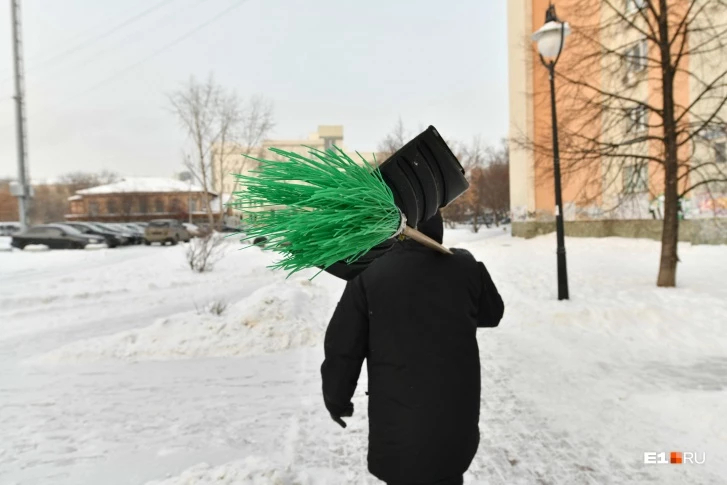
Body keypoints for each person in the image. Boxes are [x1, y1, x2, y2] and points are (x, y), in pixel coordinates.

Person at [321, 211, 504, 485]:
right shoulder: (464, 266)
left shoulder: (369, 274)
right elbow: (492, 314)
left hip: (398, 430)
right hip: (454, 430)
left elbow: (343, 348)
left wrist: (337, 399)